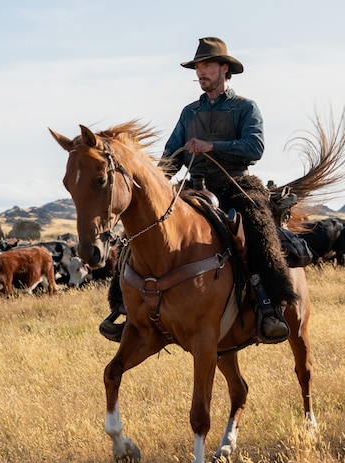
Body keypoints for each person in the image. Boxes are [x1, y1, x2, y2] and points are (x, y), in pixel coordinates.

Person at [111, 36, 292, 343]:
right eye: (198, 67)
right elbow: (170, 157)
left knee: (257, 227)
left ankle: (269, 306)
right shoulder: (189, 112)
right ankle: (124, 309)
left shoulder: (245, 107)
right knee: (142, 231)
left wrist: (212, 146)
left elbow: (255, 146)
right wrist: (156, 184)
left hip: (236, 183)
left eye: (207, 65)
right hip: (192, 187)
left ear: (225, 69)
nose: (201, 72)